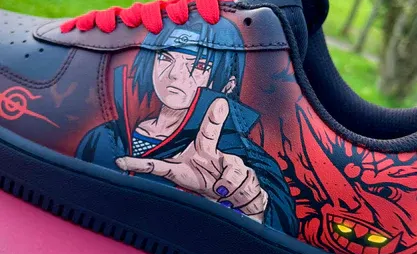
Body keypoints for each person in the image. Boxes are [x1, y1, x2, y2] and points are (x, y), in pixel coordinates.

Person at [77, 14, 298, 234]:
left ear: (229, 84)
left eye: (199, 64)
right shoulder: (105, 134)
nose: (174, 74)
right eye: (165, 57)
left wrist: (255, 209)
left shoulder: (247, 160)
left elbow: (284, 222)